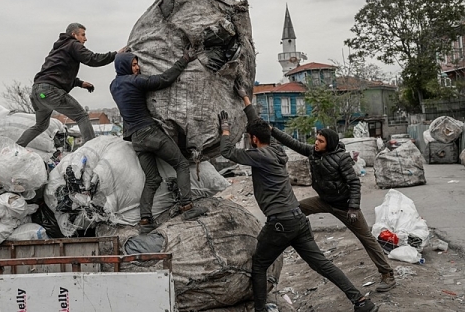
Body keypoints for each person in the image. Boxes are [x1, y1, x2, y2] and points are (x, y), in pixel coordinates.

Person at [218, 85, 379, 312]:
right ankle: (361, 302)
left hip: (280, 223)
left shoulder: (259, 155)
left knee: (259, 266)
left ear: (253, 140)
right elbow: (261, 128)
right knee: (322, 264)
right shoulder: (275, 149)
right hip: (298, 220)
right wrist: (246, 99)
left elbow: (227, 152)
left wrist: (224, 129)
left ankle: (260, 310)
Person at [269, 124, 396, 293]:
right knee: (295, 209)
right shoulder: (313, 153)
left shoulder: (341, 159)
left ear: (329, 143)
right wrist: (272, 130)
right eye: (316, 139)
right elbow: (292, 143)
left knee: (366, 238)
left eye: (321, 141)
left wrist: (353, 208)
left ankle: (387, 274)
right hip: (324, 201)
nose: (316, 143)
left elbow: (354, 183)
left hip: (345, 206)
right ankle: (279, 242)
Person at [110, 49, 208, 234]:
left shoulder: (114, 85)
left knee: (153, 179)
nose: (137, 67)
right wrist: (185, 59)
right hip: (150, 133)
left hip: (136, 139)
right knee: (181, 164)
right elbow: (164, 79)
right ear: (125, 66)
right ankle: (187, 206)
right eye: (133, 64)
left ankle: (145, 219)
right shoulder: (136, 81)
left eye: (137, 63)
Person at [16, 23, 124, 148]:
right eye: (83, 35)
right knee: (82, 116)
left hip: (37, 92)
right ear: (74, 35)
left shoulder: (58, 48)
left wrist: (79, 83)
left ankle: (15, 148)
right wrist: (116, 54)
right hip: (51, 91)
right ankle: (91, 149)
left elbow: (56, 71)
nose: (85, 39)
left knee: (40, 125)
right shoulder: (73, 44)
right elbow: (93, 59)